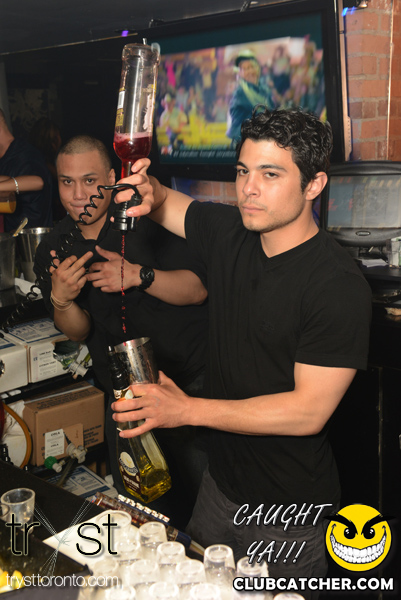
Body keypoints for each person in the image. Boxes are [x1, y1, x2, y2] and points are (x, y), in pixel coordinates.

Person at [111, 107, 372, 593]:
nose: (249, 188)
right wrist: (149, 190)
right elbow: (167, 202)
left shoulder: (335, 285)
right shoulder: (232, 232)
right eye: (242, 171)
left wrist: (186, 410)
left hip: (287, 513)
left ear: (314, 185)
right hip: (220, 488)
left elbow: (308, 411)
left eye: (270, 175)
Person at [34, 135, 209, 528]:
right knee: (143, 516)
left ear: (112, 179)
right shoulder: (55, 247)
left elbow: (197, 290)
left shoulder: (148, 218)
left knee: (206, 514)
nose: (79, 195)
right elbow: (79, 331)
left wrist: (136, 275)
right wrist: (62, 301)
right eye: (66, 182)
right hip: (125, 401)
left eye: (90, 181)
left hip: (188, 385)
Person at [0, 108, 53, 231]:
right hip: (11, 238)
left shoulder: (25, 155)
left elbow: (38, 182)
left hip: (33, 239)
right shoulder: (5, 157)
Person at [226, 50, 275, 143]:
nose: (250, 71)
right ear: (240, 73)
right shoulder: (240, 93)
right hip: (245, 143)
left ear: (258, 68)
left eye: (252, 67)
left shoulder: (265, 90)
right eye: (245, 69)